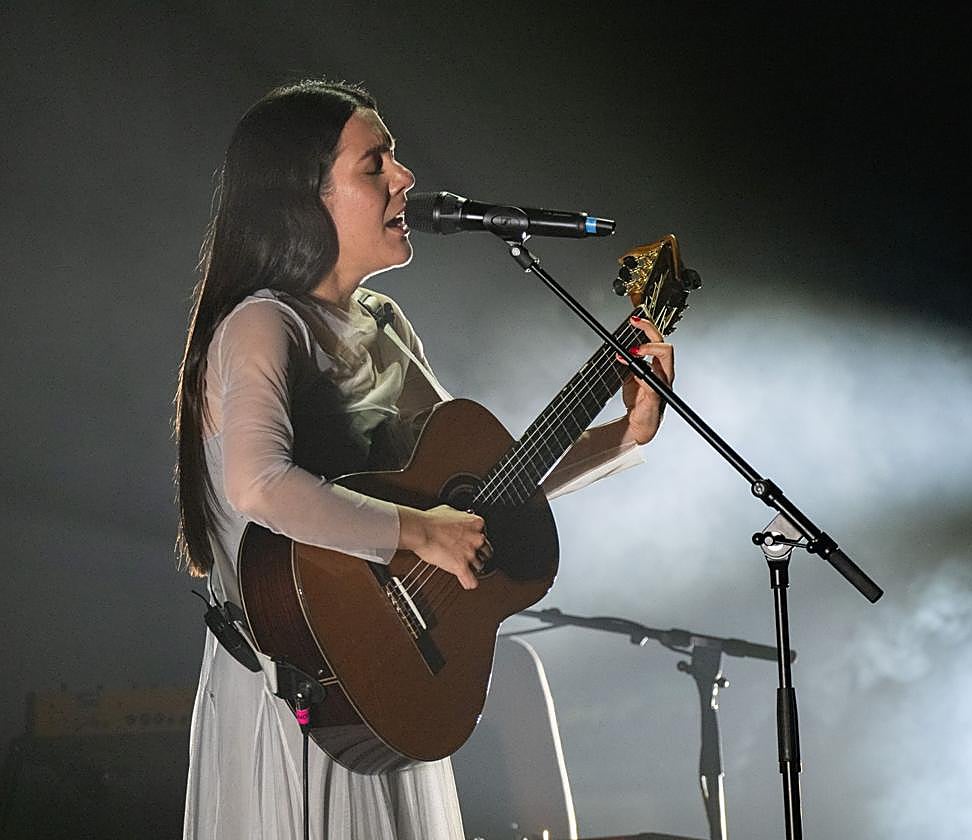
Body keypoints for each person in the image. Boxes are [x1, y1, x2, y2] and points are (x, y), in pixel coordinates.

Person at [173, 80, 674, 840]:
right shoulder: (262, 325)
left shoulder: (383, 323)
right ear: (304, 196)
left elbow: (478, 492)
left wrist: (624, 437)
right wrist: (420, 533)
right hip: (299, 692)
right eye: (376, 164)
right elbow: (258, 484)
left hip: (391, 677)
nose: (406, 179)